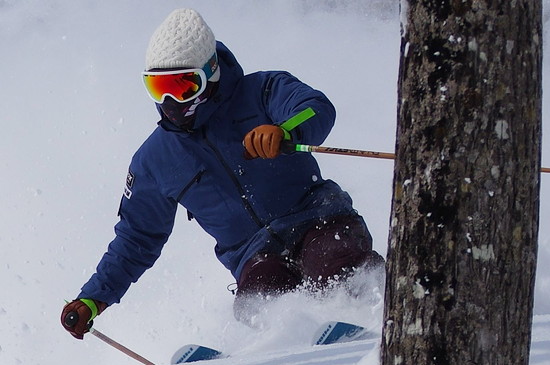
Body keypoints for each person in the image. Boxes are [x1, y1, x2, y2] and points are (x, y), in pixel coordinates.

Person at [61, 8, 382, 339]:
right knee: (262, 303)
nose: (171, 101)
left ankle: (373, 319)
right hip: (255, 256)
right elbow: (136, 238)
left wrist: (284, 132)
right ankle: (270, 357)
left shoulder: (261, 91)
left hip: (320, 220)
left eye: (184, 85)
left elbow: (316, 107)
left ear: (211, 73)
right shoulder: (155, 160)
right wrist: (93, 298)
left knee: (332, 262)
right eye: (159, 88)